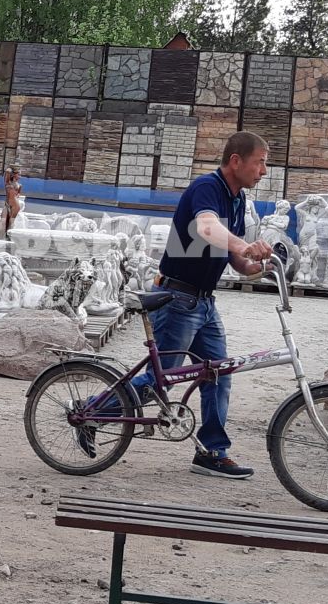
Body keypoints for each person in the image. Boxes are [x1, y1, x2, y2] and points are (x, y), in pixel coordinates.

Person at [86, 132, 274, 480]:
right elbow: (206, 229)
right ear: (236, 161)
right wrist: (244, 245)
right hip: (178, 299)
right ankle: (90, 411)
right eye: (260, 161)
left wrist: (263, 266)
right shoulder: (207, 187)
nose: (264, 170)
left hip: (204, 303)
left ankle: (213, 452)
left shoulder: (236, 199)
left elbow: (237, 261)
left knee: (219, 373)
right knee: (162, 383)